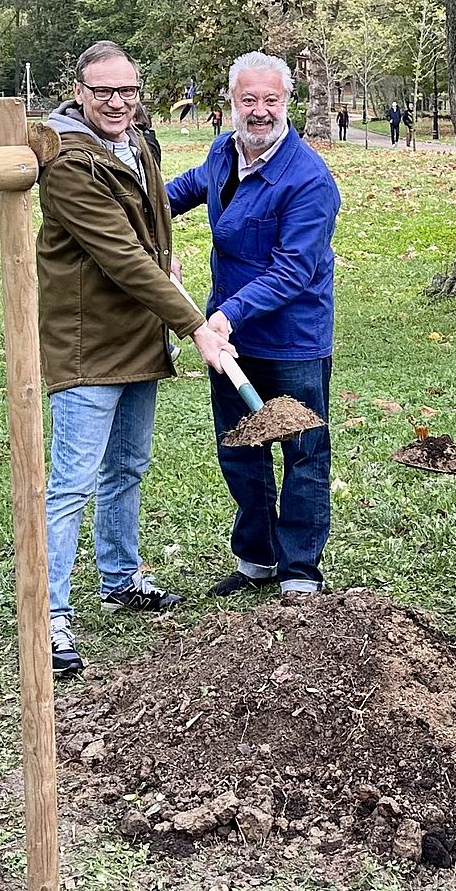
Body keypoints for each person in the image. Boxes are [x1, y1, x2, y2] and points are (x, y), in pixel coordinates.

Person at [38, 41, 232, 679]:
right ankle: (49, 616)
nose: (117, 102)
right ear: (80, 91)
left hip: (139, 333)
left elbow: (148, 229)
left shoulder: (140, 142)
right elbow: (119, 254)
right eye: (103, 91)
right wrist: (196, 325)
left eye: (128, 89)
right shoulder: (67, 162)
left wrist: (167, 255)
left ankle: (120, 578)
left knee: (127, 466)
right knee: (72, 482)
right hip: (88, 342)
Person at [168, 51, 341, 597]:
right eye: (249, 100)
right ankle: (258, 560)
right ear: (232, 102)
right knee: (240, 448)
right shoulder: (224, 153)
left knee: (303, 454)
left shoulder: (309, 179)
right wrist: (143, 218)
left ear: (287, 102)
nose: (260, 111)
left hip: (292, 342)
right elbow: (183, 190)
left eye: (271, 100)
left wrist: (224, 316)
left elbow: (294, 270)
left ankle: (299, 574)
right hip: (230, 337)